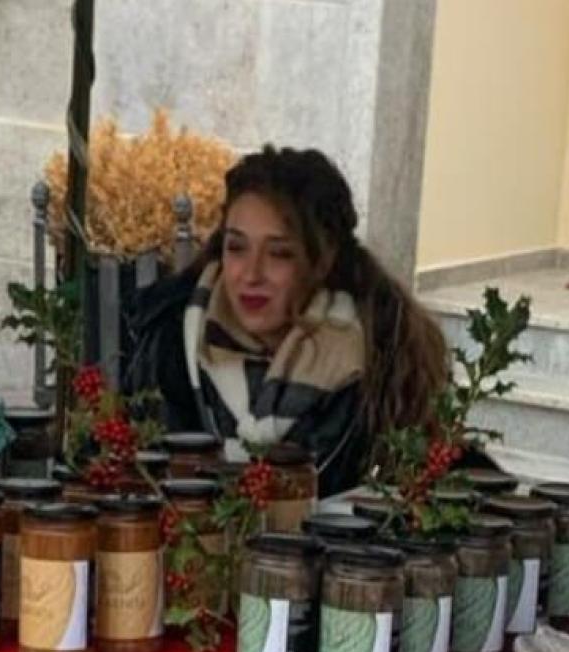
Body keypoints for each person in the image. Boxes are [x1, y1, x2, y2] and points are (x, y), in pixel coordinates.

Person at [123, 146, 449, 496]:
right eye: (237, 248)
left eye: (279, 253)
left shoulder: (384, 365)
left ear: (322, 261)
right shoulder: (166, 344)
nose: (251, 274)